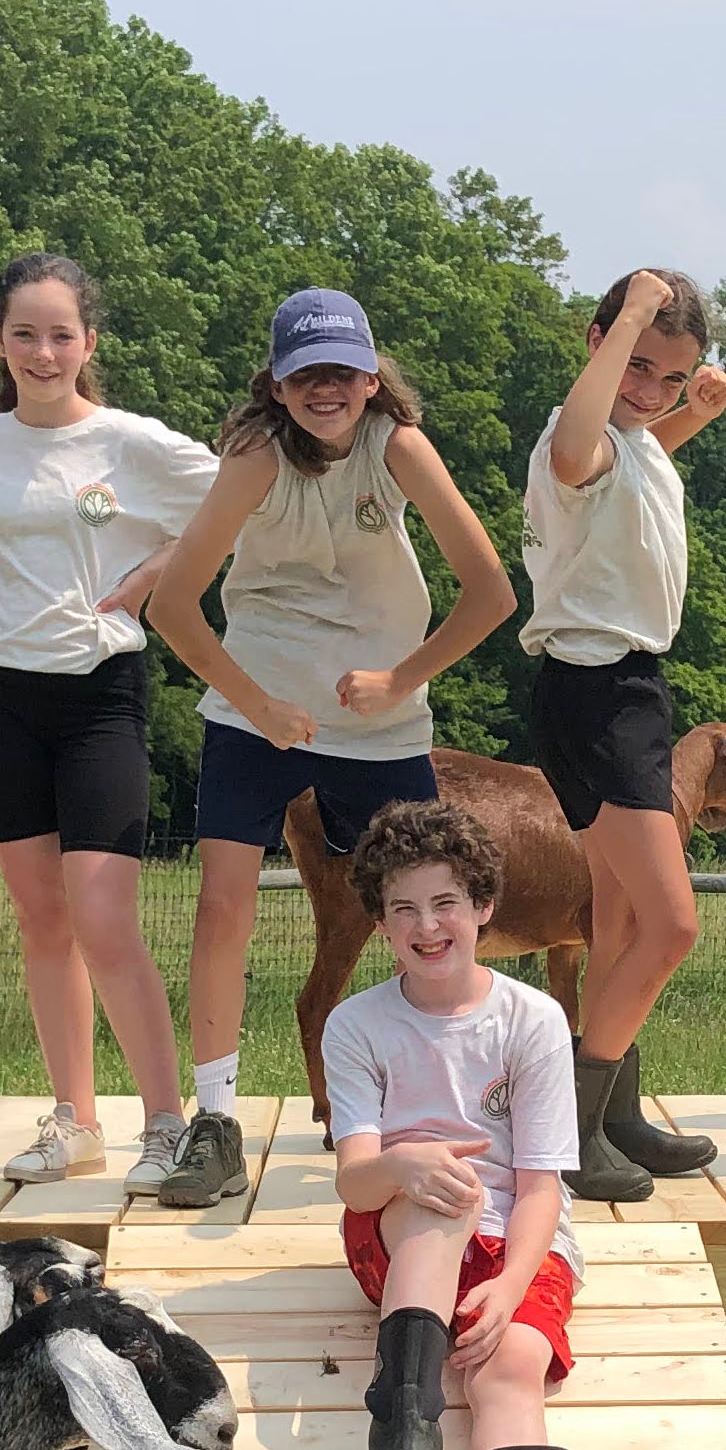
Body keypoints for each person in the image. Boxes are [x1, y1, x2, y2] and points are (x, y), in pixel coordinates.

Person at [143, 289, 516, 1208]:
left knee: (428, 905)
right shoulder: (253, 461)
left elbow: (490, 593)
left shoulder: (397, 448)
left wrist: (401, 679)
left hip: (380, 724)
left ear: (370, 374)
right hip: (256, 713)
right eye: (306, 373)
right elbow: (172, 605)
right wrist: (255, 702)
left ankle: (437, 1105)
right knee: (222, 904)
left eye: (343, 372)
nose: (326, 389)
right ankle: (216, 1123)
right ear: (275, 383)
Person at [0, 253, 216, 1192]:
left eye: (60, 335)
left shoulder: (131, 444)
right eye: (23, 335)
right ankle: (73, 1121)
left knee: (102, 915)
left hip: (100, 695)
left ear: (89, 343)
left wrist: (142, 582)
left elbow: (230, 508)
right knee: (41, 917)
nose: (42, 353)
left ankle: (167, 1123)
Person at [325, 800, 642, 1450]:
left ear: (483, 909)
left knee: (508, 1367)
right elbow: (356, 1183)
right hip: (397, 1232)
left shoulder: (532, 1019)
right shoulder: (357, 1025)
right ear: (382, 923)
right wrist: (402, 1161)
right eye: (403, 910)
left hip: (522, 1241)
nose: (426, 927)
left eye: (445, 905)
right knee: (441, 1199)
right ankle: (400, 1446)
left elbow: (541, 1185)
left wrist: (507, 1291)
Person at [522, 266, 726, 1199]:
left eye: (670, 379)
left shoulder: (634, 441)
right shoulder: (577, 441)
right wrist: (636, 314)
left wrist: (695, 417)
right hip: (594, 689)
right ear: (598, 343)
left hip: (628, 686)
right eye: (634, 366)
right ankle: (565, 1128)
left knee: (617, 923)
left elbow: (631, 471)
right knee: (670, 922)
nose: (649, 391)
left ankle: (614, 1115)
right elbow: (585, 450)